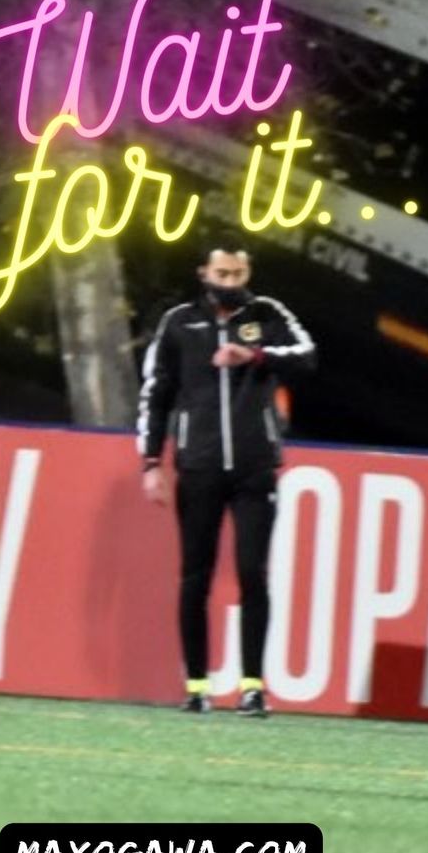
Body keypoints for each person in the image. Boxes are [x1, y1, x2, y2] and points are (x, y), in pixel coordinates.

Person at [138, 237, 316, 717]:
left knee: (252, 572)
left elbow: (306, 354)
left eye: (239, 275)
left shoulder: (267, 312)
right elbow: (156, 393)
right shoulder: (180, 323)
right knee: (194, 577)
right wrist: (152, 463)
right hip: (198, 467)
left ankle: (253, 686)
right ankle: (196, 686)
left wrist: (256, 357)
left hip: (255, 467)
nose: (232, 284)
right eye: (223, 276)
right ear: (204, 274)